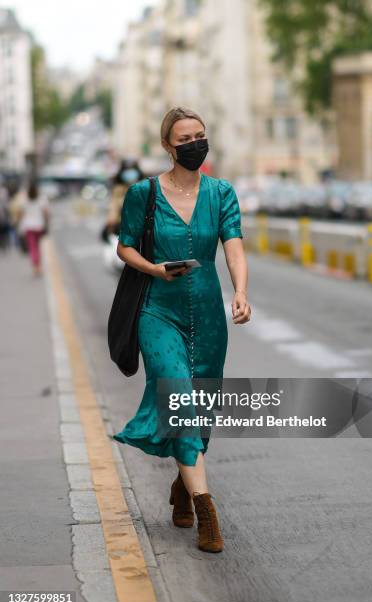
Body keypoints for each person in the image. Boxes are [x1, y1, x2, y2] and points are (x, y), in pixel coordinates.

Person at [112, 106, 251, 553]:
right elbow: (124, 247)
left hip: (208, 314)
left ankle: (182, 486)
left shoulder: (221, 192)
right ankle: (207, 509)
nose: (195, 144)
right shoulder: (144, 193)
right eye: (185, 138)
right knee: (177, 398)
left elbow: (234, 247)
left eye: (200, 135)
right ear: (168, 146)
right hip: (158, 310)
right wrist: (153, 268)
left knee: (201, 412)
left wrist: (241, 292)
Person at [105, 158, 145, 236]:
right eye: (127, 170)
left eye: (132, 169)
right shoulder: (118, 189)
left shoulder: (145, 188)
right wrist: (111, 223)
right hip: (122, 227)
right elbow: (113, 207)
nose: (129, 173)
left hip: (142, 227)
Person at [16, 182, 49, 276]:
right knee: (37, 247)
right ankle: (38, 266)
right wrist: (46, 222)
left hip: (28, 227)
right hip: (39, 226)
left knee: (32, 247)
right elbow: (46, 213)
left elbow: (20, 213)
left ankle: (36, 267)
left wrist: (18, 222)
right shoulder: (42, 199)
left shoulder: (24, 200)